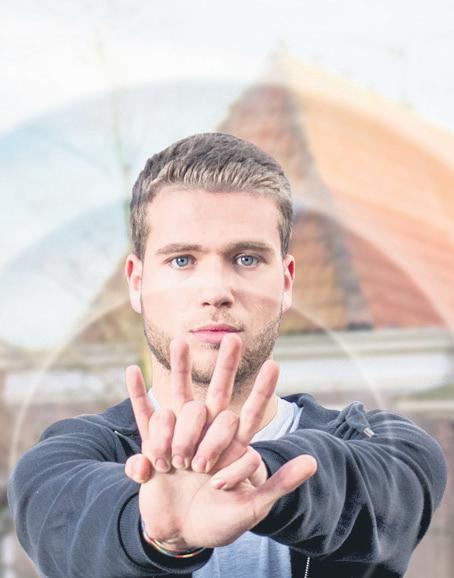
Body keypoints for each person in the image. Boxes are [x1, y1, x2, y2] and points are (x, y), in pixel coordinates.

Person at [7, 132, 447, 578]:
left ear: (287, 282)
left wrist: (260, 474)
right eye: (182, 260)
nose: (216, 290)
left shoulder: (392, 452)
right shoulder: (58, 465)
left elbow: (378, 494)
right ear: (136, 283)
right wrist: (158, 535)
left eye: (247, 258)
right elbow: (72, 524)